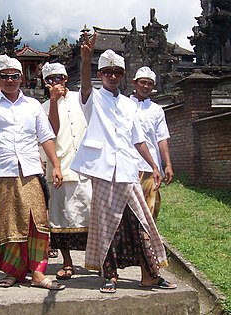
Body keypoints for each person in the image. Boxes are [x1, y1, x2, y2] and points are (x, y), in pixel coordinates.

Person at [71, 32, 177, 293]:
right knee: (108, 225)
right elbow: (85, 87)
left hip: (129, 171)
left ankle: (149, 275)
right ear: (101, 74)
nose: (112, 76)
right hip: (104, 171)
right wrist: (86, 61)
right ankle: (110, 276)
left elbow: (138, 140)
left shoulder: (130, 106)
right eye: (107, 72)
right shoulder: (93, 99)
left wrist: (154, 165)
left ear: (122, 74)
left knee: (141, 222)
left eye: (117, 72)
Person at [0, 54, 66, 291]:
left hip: (30, 170)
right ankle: (13, 271)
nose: (9, 80)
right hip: (3, 171)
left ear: (21, 78)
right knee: (7, 222)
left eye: (14, 76)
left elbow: (46, 136)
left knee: (36, 222)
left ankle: (38, 273)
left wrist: (57, 165)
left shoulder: (32, 105)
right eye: (4, 77)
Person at [41, 62, 91, 280]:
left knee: (89, 214)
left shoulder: (81, 100)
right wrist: (53, 101)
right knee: (61, 217)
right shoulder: (43, 107)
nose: (56, 83)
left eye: (59, 78)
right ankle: (67, 262)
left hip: (85, 168)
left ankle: (95, 260)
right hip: (59, 167)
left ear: (66, 79)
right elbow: (51, 131)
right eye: (50, 80)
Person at [130, 66, 174, 221]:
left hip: (150, 168)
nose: (146, 86)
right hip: (128, 166)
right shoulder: (124, 105)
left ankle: (148, 241)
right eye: (142, 82)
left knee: (150, 208)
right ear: (134, 83)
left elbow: (162, 138)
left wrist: (167, 164)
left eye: (149, 83)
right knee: (129, 209)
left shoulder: (156, 110)